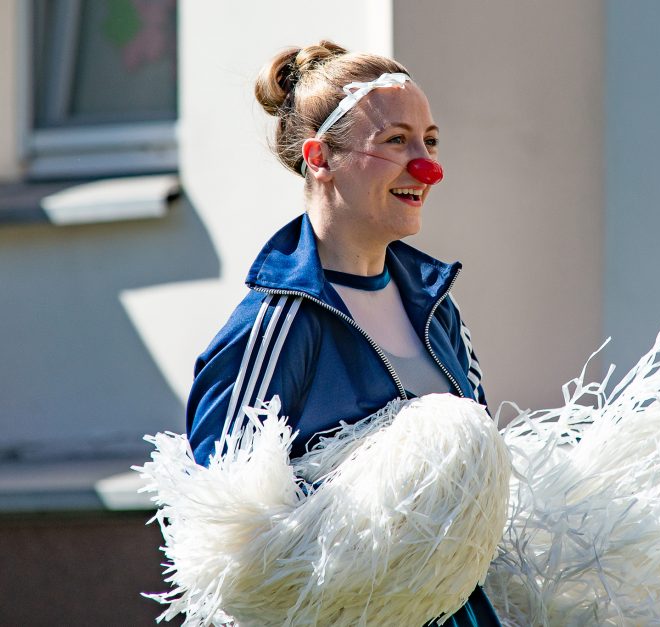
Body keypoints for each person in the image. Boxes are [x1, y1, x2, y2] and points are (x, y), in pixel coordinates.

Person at [184, 41, 500, 626]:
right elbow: (220, 538)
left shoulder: (437, 307)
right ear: (319, 157)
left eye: (429, 140)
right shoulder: (276, 324)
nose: (428, 167)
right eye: (395, 141)